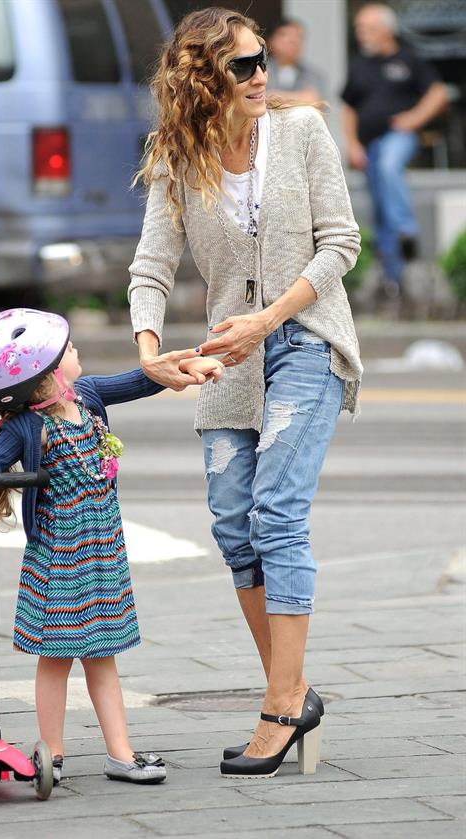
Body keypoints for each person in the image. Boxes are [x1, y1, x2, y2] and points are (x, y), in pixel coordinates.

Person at [128, 7, 362, 779]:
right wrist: (153, 352)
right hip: (228, 360)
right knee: (234, 524)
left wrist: (268, 316)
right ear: (204, 77)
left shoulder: (300, 134)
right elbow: (152, 266)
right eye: (242, 66)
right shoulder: (177, 156)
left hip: (305, 338)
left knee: (275, 513)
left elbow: (342, 243)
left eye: (263, 61)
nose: (262, 75)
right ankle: (292, 689)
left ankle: (281, 705)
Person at [0, 308, 222, 786]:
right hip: (58, 561)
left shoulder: (89, 395)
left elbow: (139, 381)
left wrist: (183, 371)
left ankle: (120, 754)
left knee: (103, 655)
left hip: (102, 555)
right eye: (67, 349)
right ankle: (50, 755)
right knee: (55, 659)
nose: (75, 351)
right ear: (46, 372)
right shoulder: (26, 427)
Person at [341, 2, 448, 296]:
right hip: (368, 147)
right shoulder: (360, 65)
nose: (361, 34)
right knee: (380, 207)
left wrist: (415, 118)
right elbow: (348, 108)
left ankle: (407, 229)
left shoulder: (408, 59)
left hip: (398, 137)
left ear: (386, 30)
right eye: (358, 28)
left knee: (389, 165)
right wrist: (351, 144)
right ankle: (394, 278)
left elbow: (438, 93)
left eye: (367, 28)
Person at [266, 17, 324, 104]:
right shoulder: (260, 70)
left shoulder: (314, 75)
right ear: (271, 40)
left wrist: (273, 96)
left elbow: (314, 101)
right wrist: (300, 98)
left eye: (298, 36)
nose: (293, 41)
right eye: (284, 35)